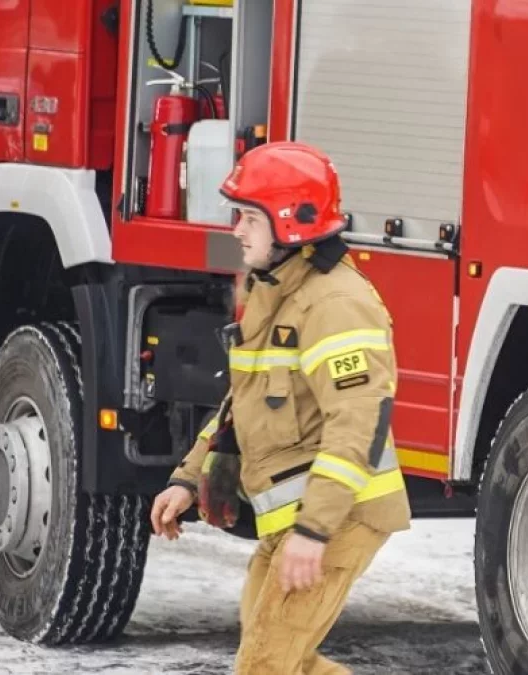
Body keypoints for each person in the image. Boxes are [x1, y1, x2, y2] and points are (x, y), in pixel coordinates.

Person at [149, 141, 410, 675]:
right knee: (284, 663)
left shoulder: (335, 305)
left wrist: (314, 533)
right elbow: (240, 401)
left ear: (291, 225)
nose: (237, 232)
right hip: (290, 519)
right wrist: (187, 477)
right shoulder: (276, 291)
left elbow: (357, 423)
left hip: (340, 518)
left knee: (263, 667)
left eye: (248, 218)